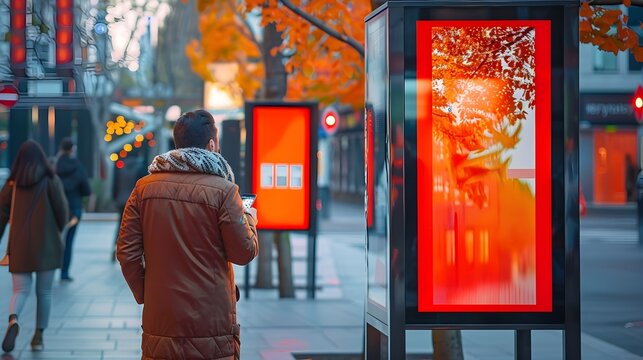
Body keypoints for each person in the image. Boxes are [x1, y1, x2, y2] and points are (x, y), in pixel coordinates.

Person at [117, 110, 259, 360]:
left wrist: (146, 293)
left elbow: (126, 252)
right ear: (212, 144)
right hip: (211, 321)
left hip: (160, 318)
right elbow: (243, 252)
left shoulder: (144, 188)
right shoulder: (224, 191)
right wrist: (249, 219)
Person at [0, 140, 69, 353]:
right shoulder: (51, 179)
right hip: (46, 245)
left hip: (19, 245)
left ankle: (13, 320)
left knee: (20, 290)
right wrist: (56, 231)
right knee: (44, 292)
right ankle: (38, 336)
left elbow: (1, 214)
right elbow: (62, 212)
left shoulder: (12, 184)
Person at [55, 138, 91, 281]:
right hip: (74, 209)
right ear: (72, 149)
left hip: (56, 208)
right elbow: (86, 190)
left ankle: (48, 269)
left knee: (53, 240)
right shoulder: (77, 166)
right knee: (69, 241)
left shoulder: (54, 164)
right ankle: (64, 273)